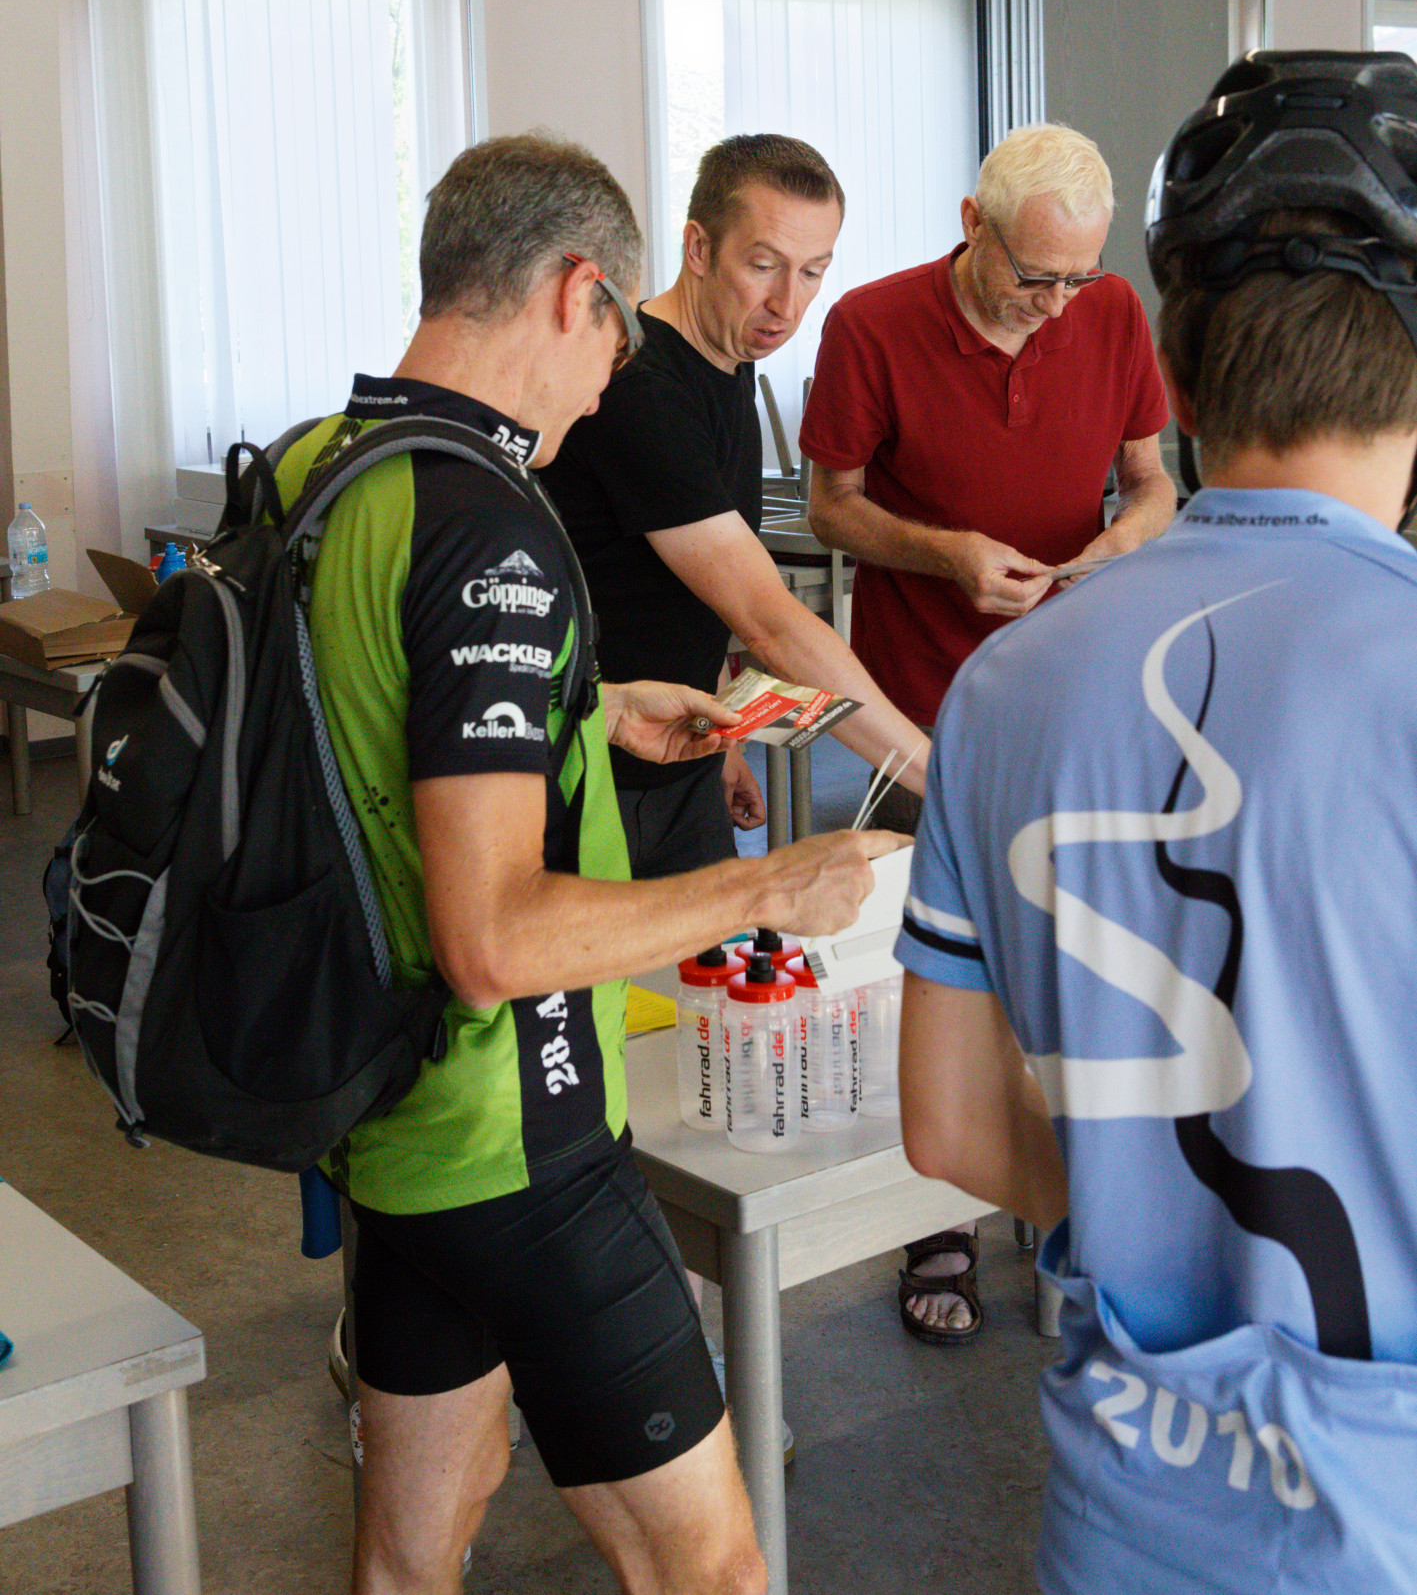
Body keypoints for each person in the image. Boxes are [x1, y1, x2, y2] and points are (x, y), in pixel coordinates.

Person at [276, 133, 904, 1595]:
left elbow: (368, 725)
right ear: (578, 291)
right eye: (614, 336)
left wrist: (591, 707)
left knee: (414, 1544)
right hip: (517, 1127)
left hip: (385, 1103)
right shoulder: (491, 523)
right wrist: (773, 881)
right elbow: (494, 936)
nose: (608, 376)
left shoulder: (325, 465)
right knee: (713, 1564)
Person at [897, 50, 1417, 1594]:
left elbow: (950, 1124)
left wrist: (1152, 1216)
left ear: (1173, 380)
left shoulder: (1002, 686)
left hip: (1130, 1497)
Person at [801, 121, 1175, 1343]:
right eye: (1034, 275)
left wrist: (1122, 543)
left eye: (1079, 276)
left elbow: (1153, 481)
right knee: (938, 975)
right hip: (923, 705)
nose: (1058, 304)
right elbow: (831, 507)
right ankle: (938, 1221)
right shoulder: (870, 324)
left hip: (1074, 699)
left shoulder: (1108, 314)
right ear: (973, 224)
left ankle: (1072, 1205)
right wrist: (943, 552)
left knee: (1072, 959)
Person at [543, 131, 930, 889]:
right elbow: (769, 620)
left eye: (812, 271)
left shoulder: (727, 361)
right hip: (599, 776)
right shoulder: (639, 387)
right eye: (762, 266)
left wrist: (724, 735)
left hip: (681, 756)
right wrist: (936, 776)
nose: (787, 303)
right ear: (698, 248)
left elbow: (695, 585)